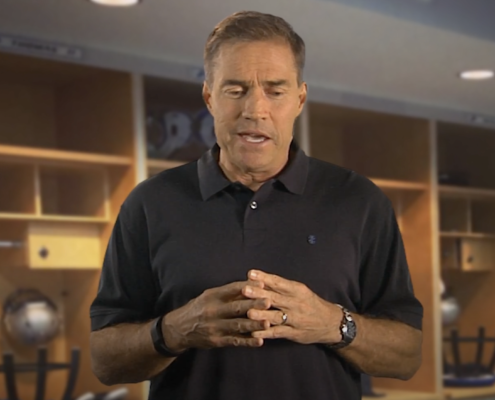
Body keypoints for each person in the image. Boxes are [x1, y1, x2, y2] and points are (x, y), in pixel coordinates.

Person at [89, 10, 423, 400]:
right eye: (236, 90)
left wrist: (333, 324)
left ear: (299, 99)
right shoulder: (149, 203)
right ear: (209, 98)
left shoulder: (360, 201)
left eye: (275, 91)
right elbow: (105, 362)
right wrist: (175, 330)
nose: (255, 109)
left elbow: (407, 356)